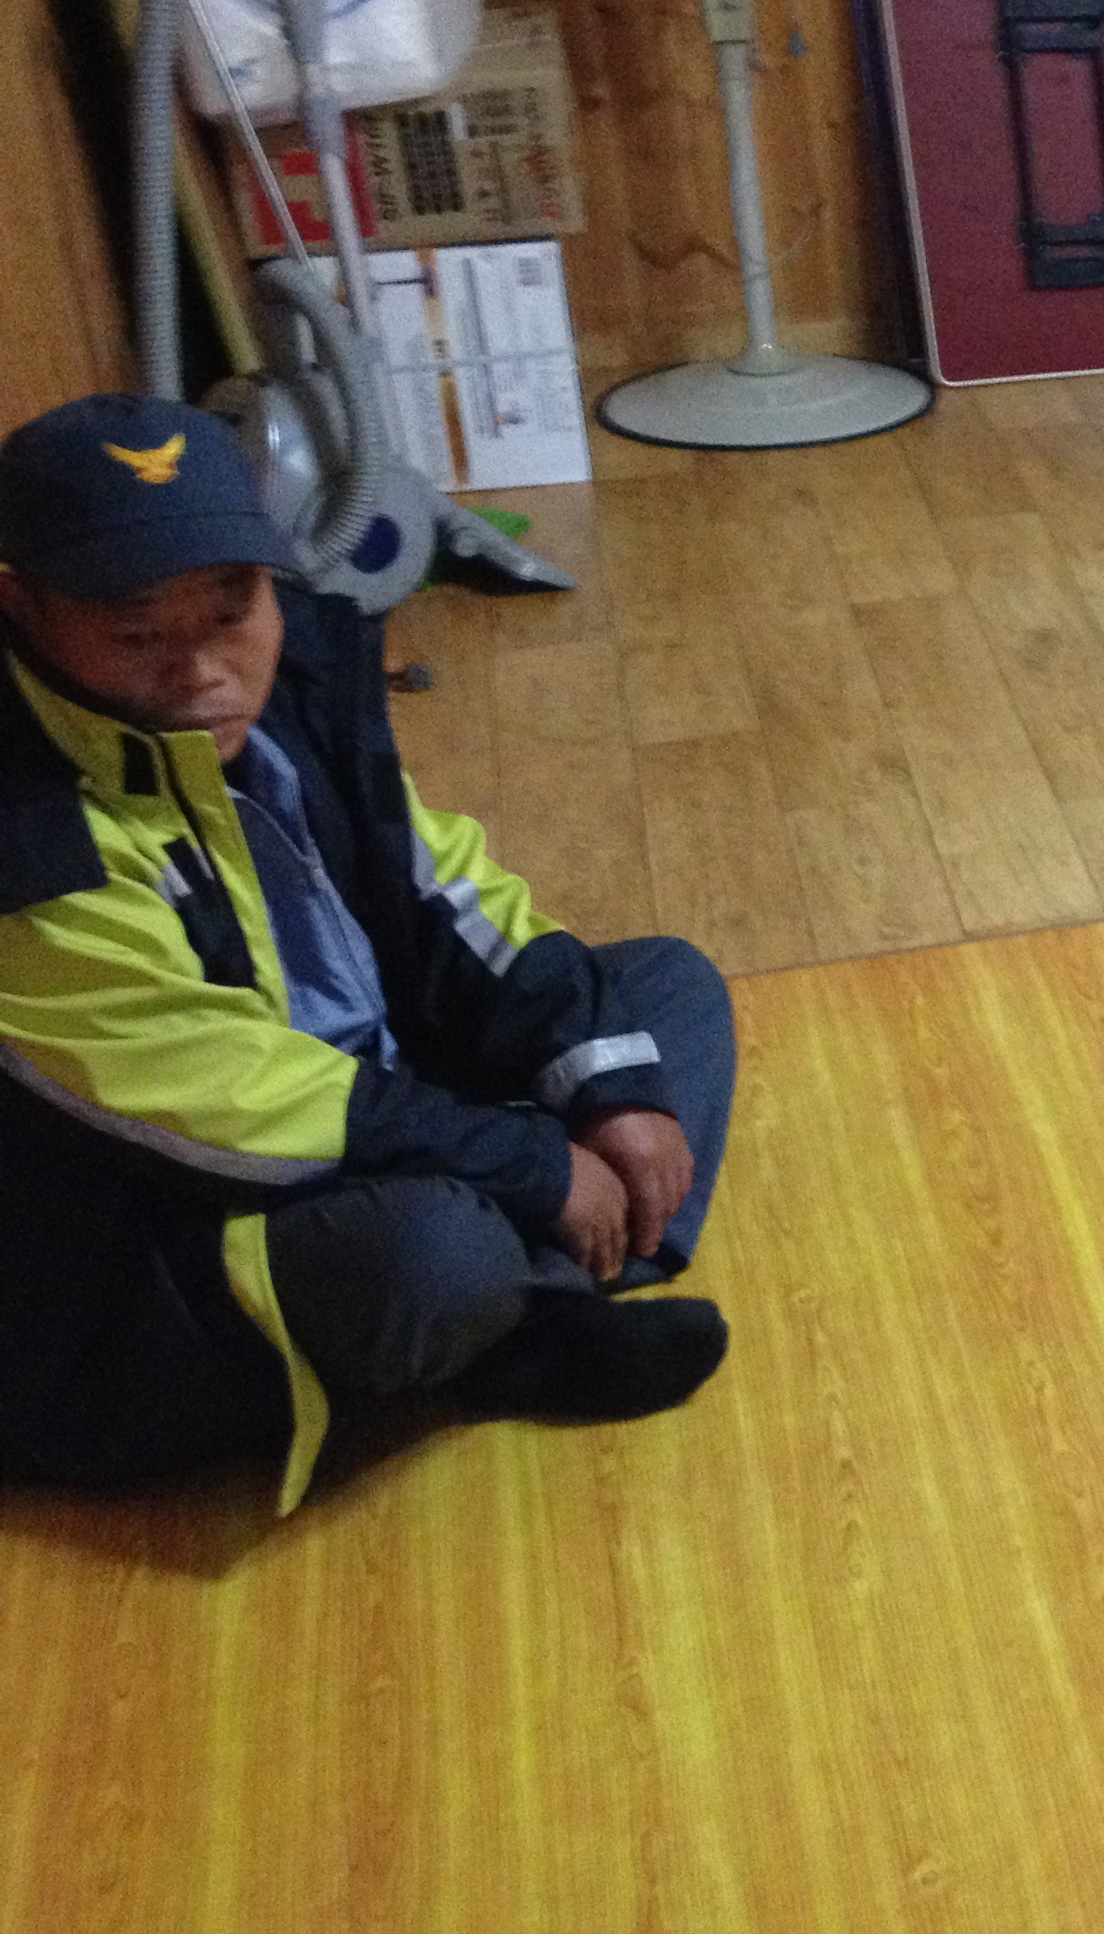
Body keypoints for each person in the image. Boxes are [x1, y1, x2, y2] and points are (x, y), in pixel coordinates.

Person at [0, 394, 733, 1514]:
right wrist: (530, 1164)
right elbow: (223, 1102)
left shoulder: (292, 673)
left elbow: (440, 886)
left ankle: (527, 1299)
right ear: (21, 607)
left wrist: (607, 1086)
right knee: (428, 1255)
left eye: (231, 612)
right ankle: (516, 1315)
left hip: (367, 1091)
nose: (203, 674)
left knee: (658, 998)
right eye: (138, 635)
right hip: (155, 1233)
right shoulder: (28, 842)